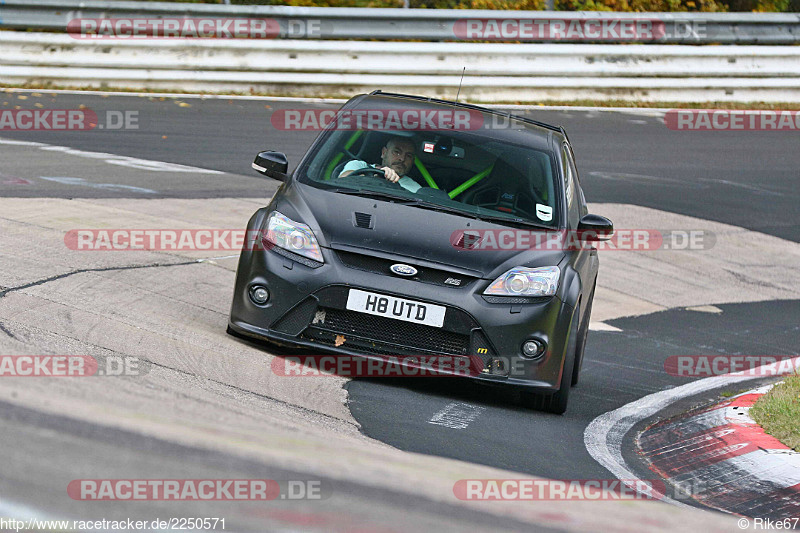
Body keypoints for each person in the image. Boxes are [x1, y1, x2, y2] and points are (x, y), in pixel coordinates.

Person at [339, 136, 422, 193]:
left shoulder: (415, 190)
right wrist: (377, 176)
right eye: (396, 152)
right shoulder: (359, 166)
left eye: (408, 156)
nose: (402, 159)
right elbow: (341, 182)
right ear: (384, 152)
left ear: (412, 161)